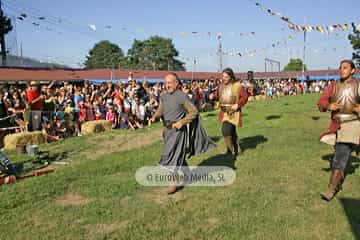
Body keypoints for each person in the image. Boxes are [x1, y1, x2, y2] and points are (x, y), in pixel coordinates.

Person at [317, 60, 360, 201]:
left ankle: (331, 189)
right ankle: (339, 176)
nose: (342, 70)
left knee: (340, 157)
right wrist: (328, 106)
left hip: (352, 126)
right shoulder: (333, 86)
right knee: (340, 155)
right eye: (340, 68)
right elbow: (321, 102)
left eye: (345, 68)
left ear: (353, 70)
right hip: (336, 126)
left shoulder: (359, 85)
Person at [150, 73, 199, 194]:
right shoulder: (164, 96)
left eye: (170, 83)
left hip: (178, 131)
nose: (167, 85)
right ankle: (188, 175)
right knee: (177, 154)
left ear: (177, 83)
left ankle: (174, 183)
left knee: (171, 154)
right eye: (166, 83)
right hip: (167, 130)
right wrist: (154, 117)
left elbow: (194, 112)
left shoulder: (182, 96)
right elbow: (161, 109)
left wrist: (182, 122)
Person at [210, 68, 248, 156]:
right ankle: (237, 149)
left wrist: (238, 105)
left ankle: (230, 151)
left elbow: (245, 97)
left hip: (233, 112)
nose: (224, 78)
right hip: (224, 112)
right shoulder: (220, 86)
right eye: (223, 76)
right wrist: (213, 96)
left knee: (226, 130)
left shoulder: (237, 85)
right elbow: (218, 95)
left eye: (226, 77)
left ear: (231, 77)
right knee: (231, 131)